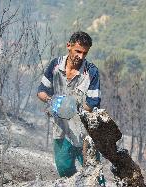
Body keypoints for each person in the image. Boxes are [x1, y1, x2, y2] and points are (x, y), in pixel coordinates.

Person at [37, 31, 101, 177]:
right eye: (78, 51)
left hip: (84, 133)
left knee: (94, 174)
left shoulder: (91, 72)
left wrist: (71, 107)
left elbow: (92, 103)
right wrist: (51, 100)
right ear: (68, 46)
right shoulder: (55, 65)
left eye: (85, 53)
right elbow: (41, 91)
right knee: (65, 171)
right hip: (61, 131)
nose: (81, 56)